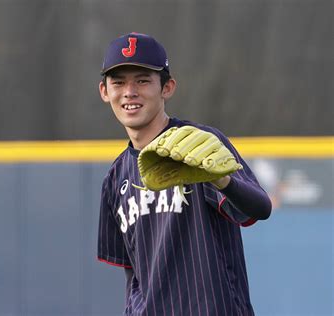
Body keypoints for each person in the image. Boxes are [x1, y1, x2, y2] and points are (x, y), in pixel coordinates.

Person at [97, 33, 272, 316]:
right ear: (105, 92)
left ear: (167, 87)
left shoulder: (200, 144)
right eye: (118, 82)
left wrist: (222, 180)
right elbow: (134, 276)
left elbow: (260, 208)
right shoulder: (115, 178)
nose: (129, 91)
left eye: (142, 80)